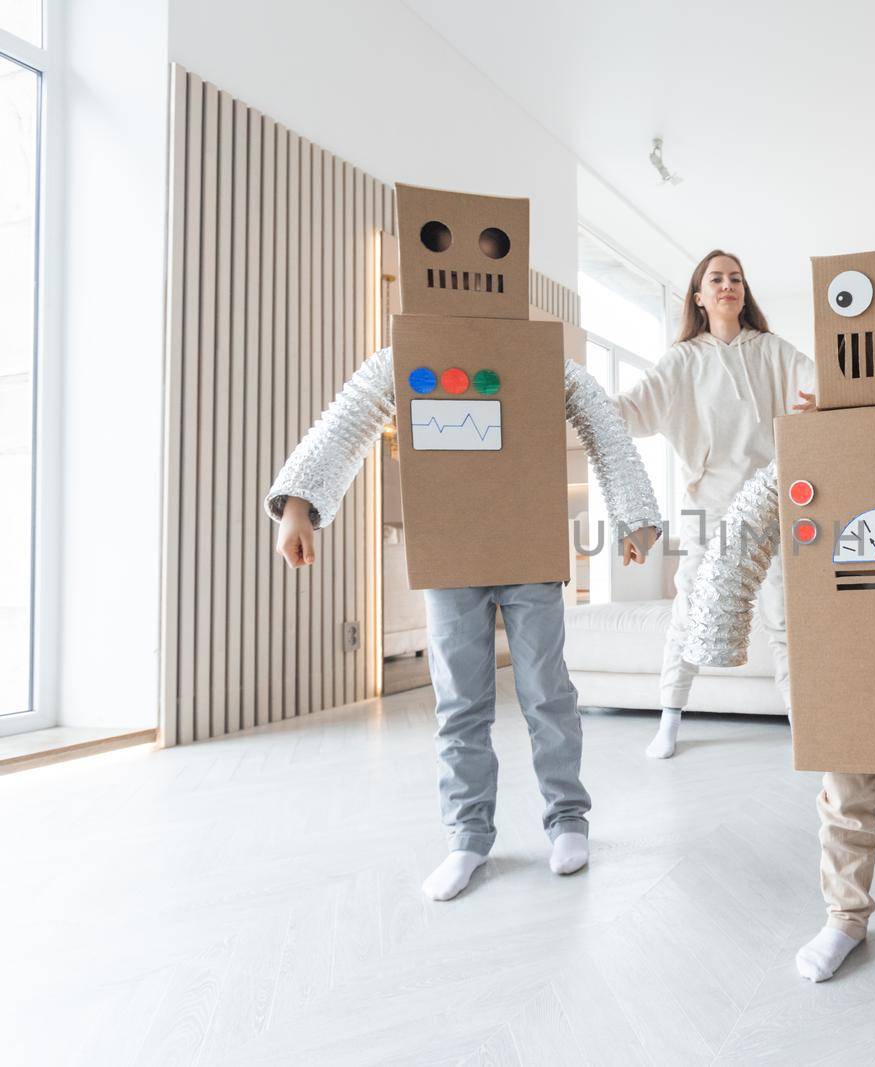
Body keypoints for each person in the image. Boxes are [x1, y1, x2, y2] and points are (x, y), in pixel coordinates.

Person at [269, 350, 659, 901]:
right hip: (451, 546)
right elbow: (350, 417)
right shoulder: (407, 353)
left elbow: (601, 422)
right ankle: (467, 835)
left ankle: (568, 819)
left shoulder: (548, 361)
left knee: (547, 691)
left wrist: (635, 512)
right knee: (459, 700)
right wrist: (297, 507)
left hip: (527, 541)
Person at [614, 250, 814, 759]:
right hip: (708, 510)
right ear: (699, 298)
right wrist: (579, 399)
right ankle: (670, 719)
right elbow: (635, 410)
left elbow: (821, 382)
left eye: (737, 279)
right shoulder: (683, 359)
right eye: (717, 279)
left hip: (770, 509)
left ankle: (803, 724)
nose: (729, 285)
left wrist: (824, 399)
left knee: (784, 617)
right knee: (689, 613)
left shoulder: (771, 350)